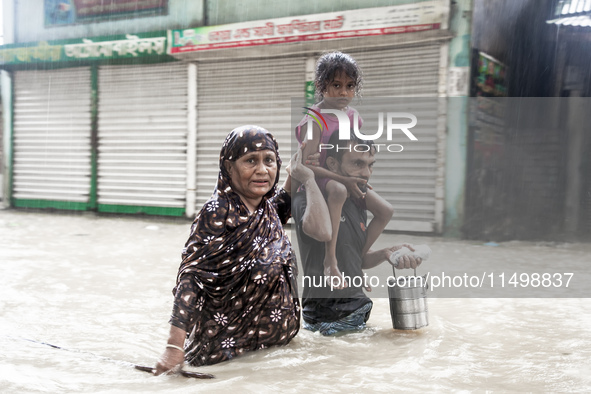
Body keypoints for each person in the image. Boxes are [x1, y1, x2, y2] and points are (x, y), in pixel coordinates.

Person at [154, 126, 329, 374]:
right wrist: (174, 347)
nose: (262, 170)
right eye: (250, 161)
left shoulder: (264, 209)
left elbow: (283, 206)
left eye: (269, 160)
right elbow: (192, 279)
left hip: (273, 357)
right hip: (227, 361)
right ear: (229, 167)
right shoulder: (218, 212)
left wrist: (298, 167)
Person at [293, 132, 422, 336]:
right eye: (357, 164)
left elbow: (358, 260)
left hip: (355, 313)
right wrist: (309, 178)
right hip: (326, 320)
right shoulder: (308, 201)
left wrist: (386, 253)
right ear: (333, 164)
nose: (367, 173)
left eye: (371, 165)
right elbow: (318, 231)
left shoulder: (357, 202)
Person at [295, 51, 394, 290]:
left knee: (385, 210)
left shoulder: (354, 117)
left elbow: (354, 153)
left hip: (342, 175)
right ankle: (331, 261)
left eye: (350, 86)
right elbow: (307, 166)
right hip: (320, 178)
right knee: (339, 191)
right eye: (336, 85)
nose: (344, 93)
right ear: (321, 85)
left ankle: (357, 261)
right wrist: (345, 180)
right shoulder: (314, 120)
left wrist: (356, 175)